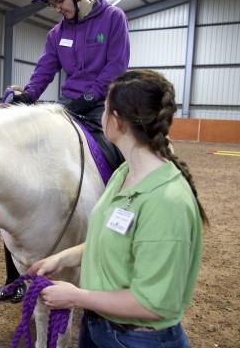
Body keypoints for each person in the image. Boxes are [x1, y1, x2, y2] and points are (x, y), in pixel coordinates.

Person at [28, 70, 207, 347]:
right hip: (100, 326)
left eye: (105, 106)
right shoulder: (123, 174)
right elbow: (112, 241)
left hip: (138, 339)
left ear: (116, 121)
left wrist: (76, 297)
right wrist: (61, 259)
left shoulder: (166, 201)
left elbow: (153, 304)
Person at [1, 0, 130, 303]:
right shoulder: (56, 34)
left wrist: (91, 97)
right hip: (69, 107)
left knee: (124, 153)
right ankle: (17, 271)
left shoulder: (113, 19)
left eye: (59, 1)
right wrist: (28, 95)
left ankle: (125, 214)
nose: (57, 8)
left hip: (104, 105)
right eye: (52, 4)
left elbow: (117, 66)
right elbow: (46, 69)